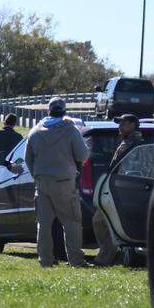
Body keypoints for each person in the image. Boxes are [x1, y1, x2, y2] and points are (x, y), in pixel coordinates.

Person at [24, 97, 90, 268]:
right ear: (64, 111)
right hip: (64, 183)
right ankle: (75, 260)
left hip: (42, 183)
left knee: (44, 224)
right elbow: (83, 155)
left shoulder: (35, 131)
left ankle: (45, 261)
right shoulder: (70, 130)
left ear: (49, 111)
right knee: (71, 222)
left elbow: (28, 159)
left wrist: (37, 176)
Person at [91, 114, 144, 266]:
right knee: (100, 220)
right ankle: (107, 255)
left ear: (133, 125)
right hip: (117, 188)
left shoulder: (134, 142)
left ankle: (104, 259)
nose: (120, 126)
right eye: (119, 123)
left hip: (125, 190)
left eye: (123, 123)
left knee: (106, 222)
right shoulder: (126, 142)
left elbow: (133, 169)